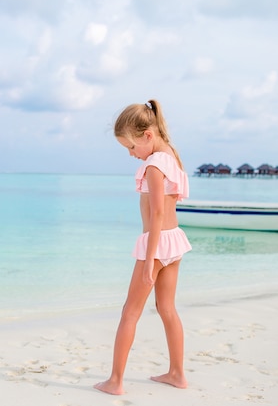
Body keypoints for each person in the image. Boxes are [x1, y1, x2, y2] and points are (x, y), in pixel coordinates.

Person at [94, 99, 191, 395]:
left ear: (147, 136)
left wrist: (149, 261)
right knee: (167, 308)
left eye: (131, 148)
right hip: (173, 239)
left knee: (130, 312)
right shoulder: (171, 155)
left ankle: (115, 381)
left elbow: (157, 213)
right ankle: (176, 373)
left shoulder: (153, 164)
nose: (131, 154)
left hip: (157, 243)